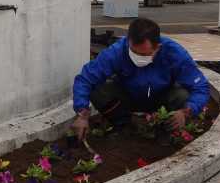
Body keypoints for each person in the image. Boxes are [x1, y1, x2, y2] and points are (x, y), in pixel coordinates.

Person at [72, 18, 210, 140]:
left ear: (158, 47)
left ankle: (168, 128)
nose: (138, 57)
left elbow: (200, 87)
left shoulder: (174, 53)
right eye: (134, 52)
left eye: (145, 54)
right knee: (98, 90)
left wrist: (186, 111)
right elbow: (85, 79)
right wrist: (82, 114)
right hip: (128, 97)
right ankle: (125, 125)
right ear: (128, 41)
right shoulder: (117, 52)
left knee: (183, 95)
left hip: (162, 98)